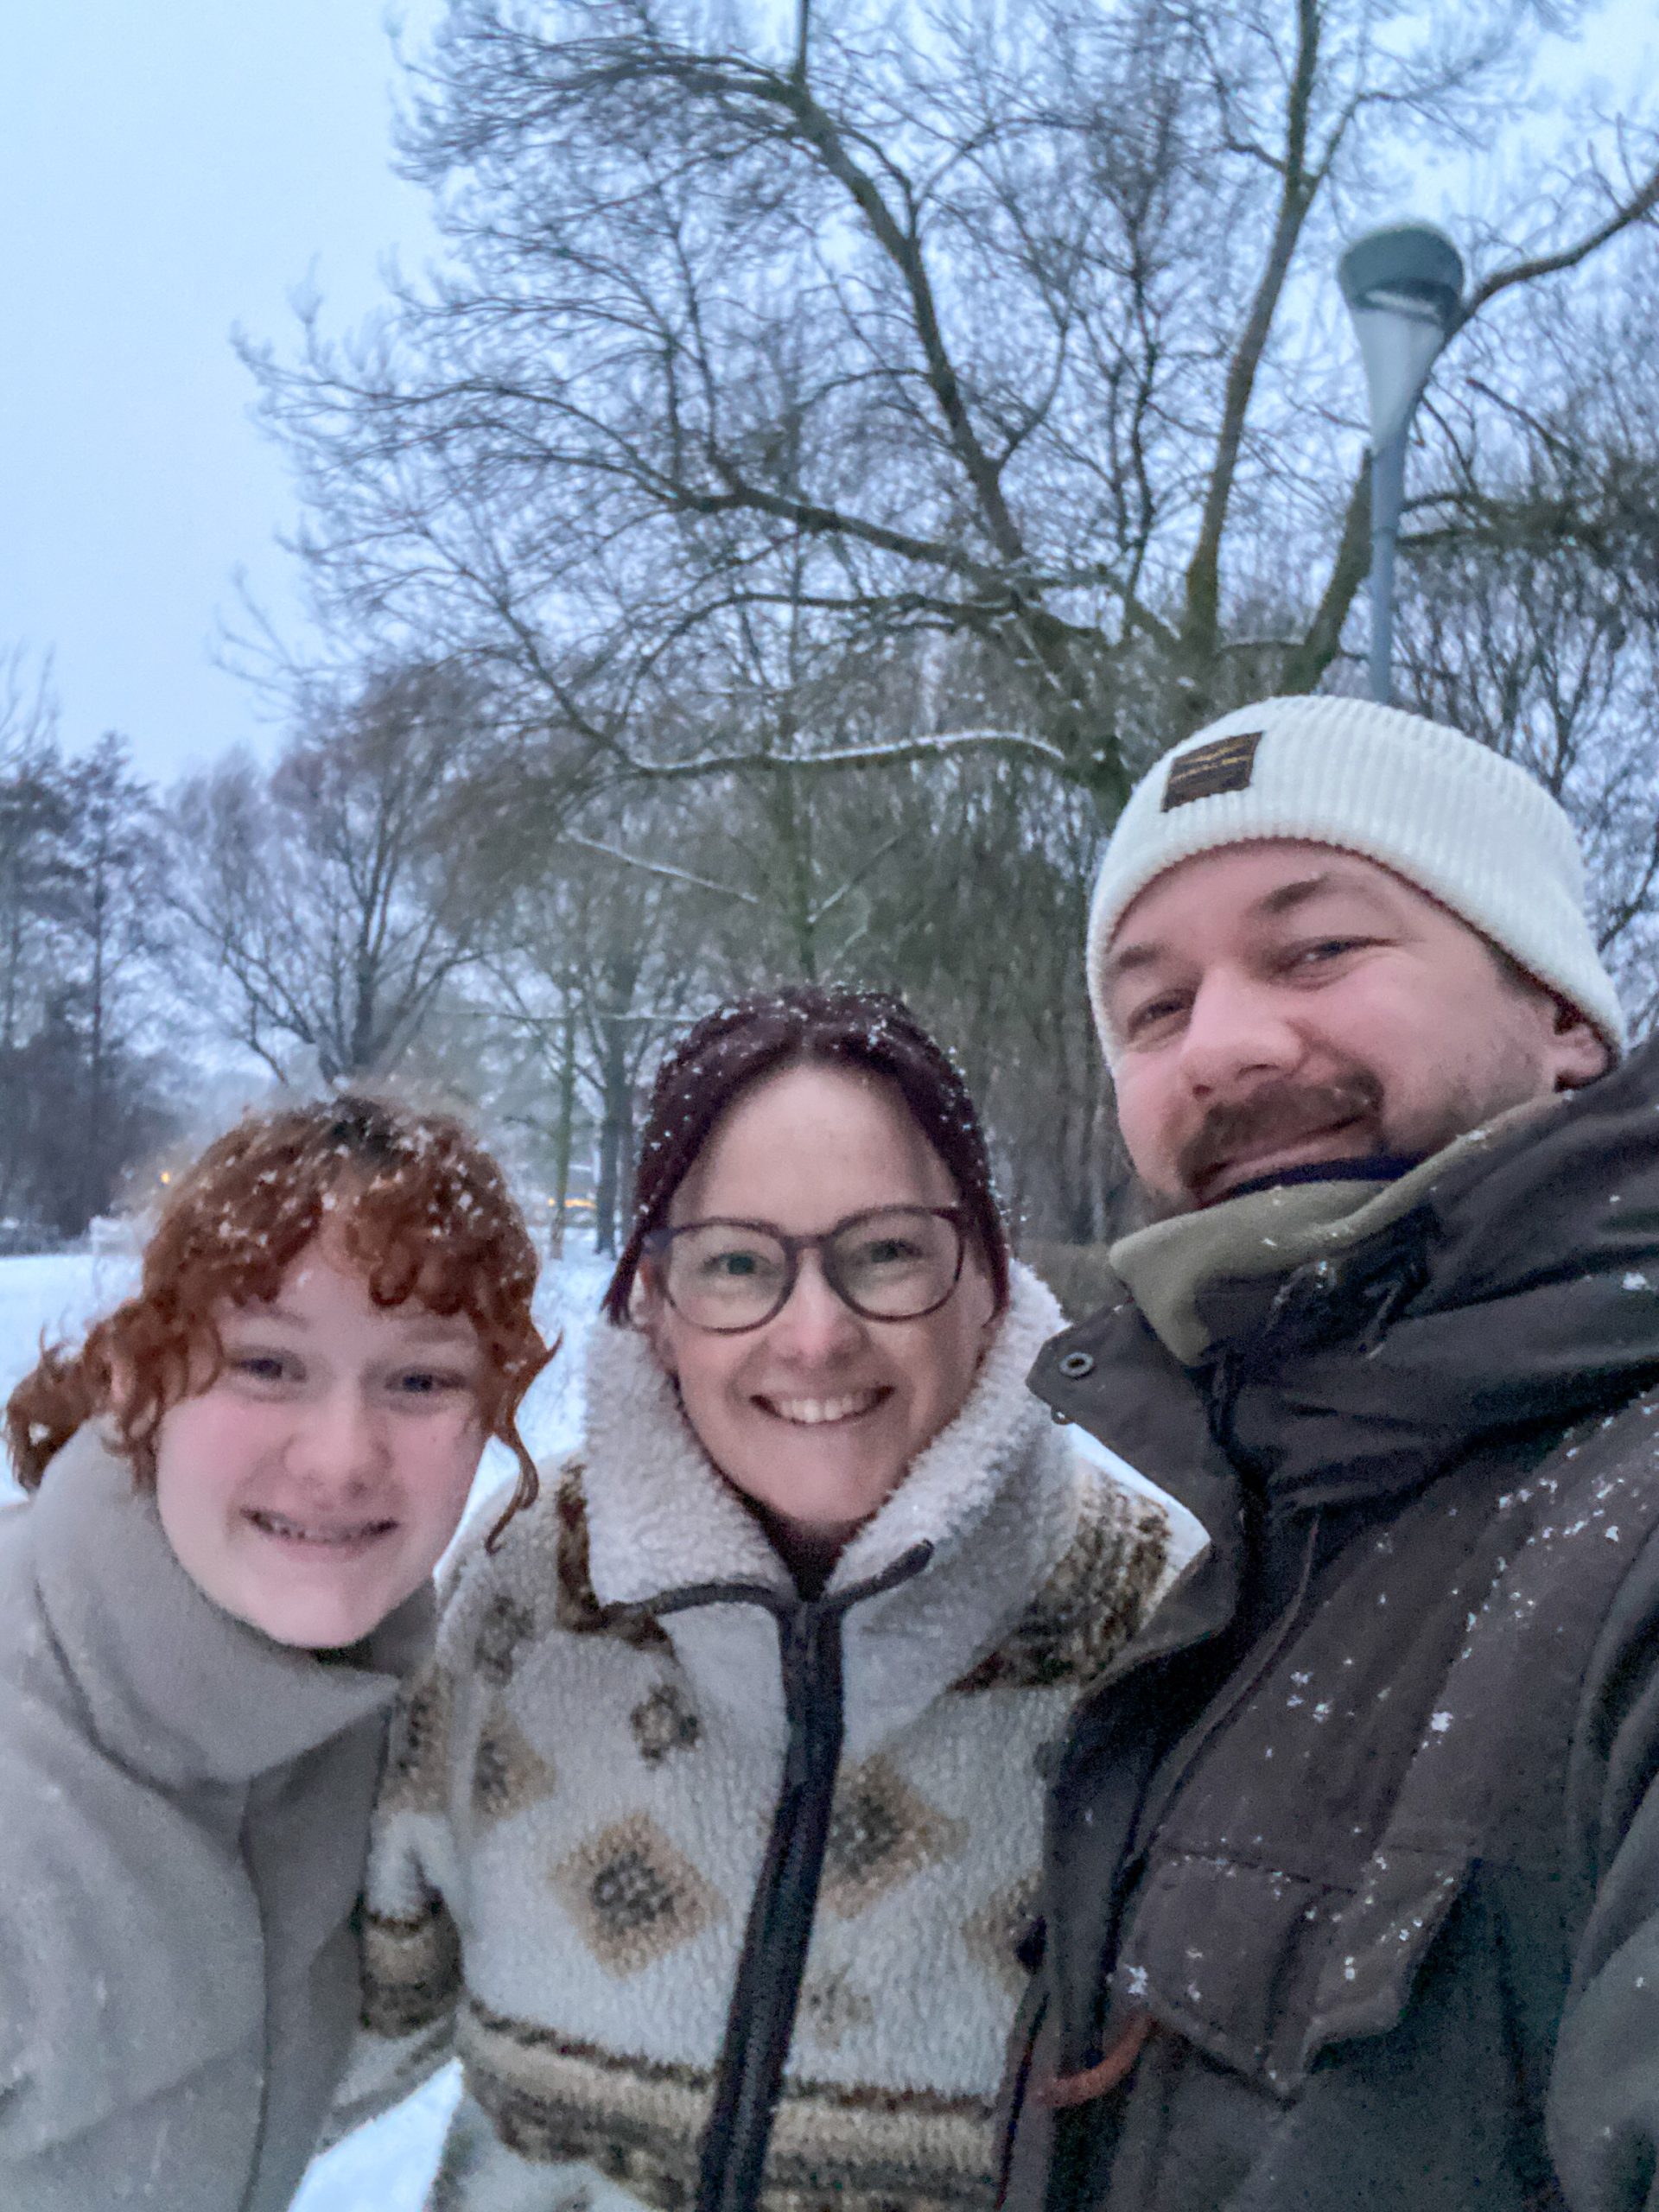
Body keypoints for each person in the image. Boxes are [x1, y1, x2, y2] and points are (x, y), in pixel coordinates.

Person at [339, 987, 1197, 2212]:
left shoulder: (1169, 1625)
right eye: (738, 1263)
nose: (814, 1335)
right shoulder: (529, 1575)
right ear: (655, 1305)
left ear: (989, 1280)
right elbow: (309, 2034)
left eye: (887, 1251)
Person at [997, 692, 1659, 2212]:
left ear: (1563, 1014)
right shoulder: (1223, 1515)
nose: (1223, 1047)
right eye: (1155, 1008)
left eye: (1317, 950)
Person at [0, 1094, 550, 2212]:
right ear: (137, 1378)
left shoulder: (399, 1738)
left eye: (420, 1381)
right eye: (265, 1364)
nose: (342, 1459)